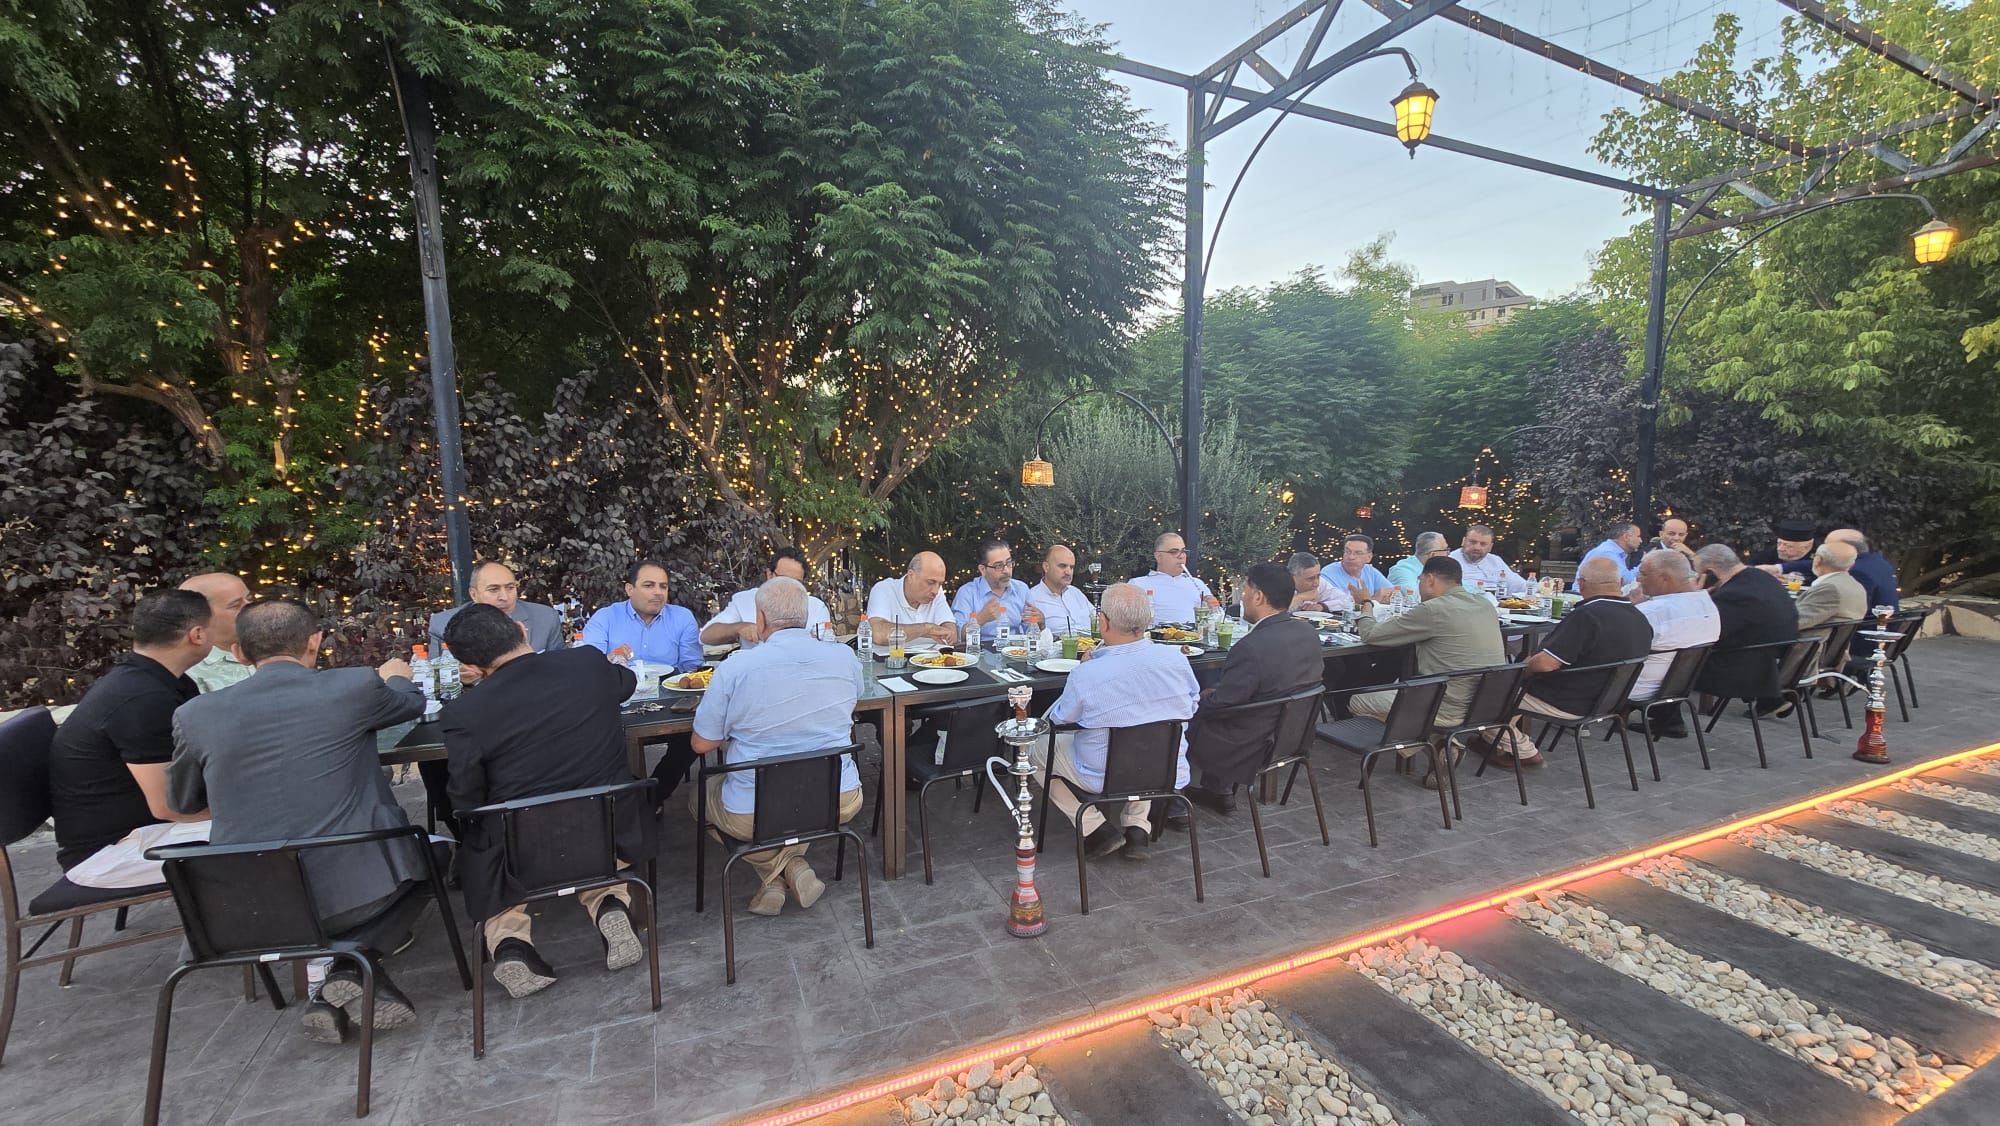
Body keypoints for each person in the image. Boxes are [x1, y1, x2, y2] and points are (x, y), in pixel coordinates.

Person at [169, 599, 428, 1043]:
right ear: (315, 642)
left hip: (245, 908)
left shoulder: (195, 715)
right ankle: (350, 966)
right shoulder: (352, 687)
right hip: (358, 894)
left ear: (239, 654)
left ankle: (333, 986)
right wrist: (398, 675)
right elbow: (410, 704)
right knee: (434, 861)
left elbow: (183, 800)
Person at [438, 605, 646, 999]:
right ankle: (610, 905)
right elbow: (627, 682)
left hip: (519, 849)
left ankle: (510, 945)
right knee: (594, 851)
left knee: (481, 843)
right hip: (605, 827)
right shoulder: (587, 663)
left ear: (473, 667)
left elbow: (465, 797)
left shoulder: (464, 713)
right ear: (521, 629)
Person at [690, 578, 865, 916]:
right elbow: (852, 702)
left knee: (699, 798)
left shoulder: (736, 667)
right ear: (805, 617)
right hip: (839, 797)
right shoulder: (844, 657)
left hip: (753, 809)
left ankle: (777, 871)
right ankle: (790, 867)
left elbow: (702, 744)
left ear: (760, 619)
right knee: (794, 806)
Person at [48, 590, 213, 888]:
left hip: (145, 829)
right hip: (111, 852)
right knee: (270, 836)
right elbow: (169, 807)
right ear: (198, 635)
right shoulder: (142, 699)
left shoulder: (161, 680)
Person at [1040, 583, 1201, 860]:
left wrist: (1086, 669)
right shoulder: (1177, 660)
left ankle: (1093, 827)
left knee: (1031, 748)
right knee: (1149, 734)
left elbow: (1060, 720)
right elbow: (1192, 705)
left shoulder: (1087, 673)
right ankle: (1137, 827)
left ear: (1103, 622)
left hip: (1101, 774)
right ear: (1148, 621)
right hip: (1166, 770)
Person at [1346, 557, 1506, 786]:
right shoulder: (1485, 605)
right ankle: (1440, 743)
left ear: (1430, 580)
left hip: (1445, 705)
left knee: (1358, 700)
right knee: (1411, 690)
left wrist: (1366, 604)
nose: (1419, 586)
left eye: (1420, 581)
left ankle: (1435, 744)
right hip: (1485, 705)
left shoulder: (1433, 609)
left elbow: (1371, 634)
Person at [1183, 563, 1326, 814]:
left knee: (1178, 719)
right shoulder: (1307, 632)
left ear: (1258, 596)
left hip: (1251, 742)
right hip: (1293, 734)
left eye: (1245, 591)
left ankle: (1172, 803)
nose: (1243, 598)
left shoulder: (1250, 647)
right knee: (1230, 702)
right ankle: (1219, 790)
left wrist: (1194, 703)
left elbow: (1224, 705)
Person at [1500, 557, 1652, 765]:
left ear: (1580, 584)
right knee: (1507, 686)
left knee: (1489, 694)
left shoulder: (1588, 615)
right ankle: (1498, 740)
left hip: (1568, 701)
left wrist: (1523, 668)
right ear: (1619, 583)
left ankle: (1522, 750)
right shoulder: (1639, 618)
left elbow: (1545, 664)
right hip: (1610, 701)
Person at [1693, 544, 1799, 711]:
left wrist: (1695, 597)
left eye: (1698, 573)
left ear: (1711, 573)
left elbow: (1710, 632)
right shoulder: (1762, 578)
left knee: (1673, 660)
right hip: (1775, 655)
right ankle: (1770, 699)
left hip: (1741, 665)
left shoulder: (1733, 593)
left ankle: (1669, 716)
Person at [1629, 549, 1720, 739]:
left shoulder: (1652, 612)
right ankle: (1670, 721)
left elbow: (1616, 648)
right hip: (1678, 685)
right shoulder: (1708, 605)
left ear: (1664, 578)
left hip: (1635, 688)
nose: (1637, 579)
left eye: (1643, 573)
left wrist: (1634, 608)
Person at [581, 560, 703, 672]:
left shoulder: (682, 618)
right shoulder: (605, 618)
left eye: (663, 586)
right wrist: (609, 659)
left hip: (669, 686)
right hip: (618, 686)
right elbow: (587, 664)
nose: (658, 592)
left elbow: (692, 668)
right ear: (630, 589)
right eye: (648, 585)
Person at [701, 548, 832, 647]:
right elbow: (706, 636)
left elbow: (828, 647)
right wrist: (738, 627)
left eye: (796, 582)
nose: (788, 586)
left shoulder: (816, 607)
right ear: (769, 574)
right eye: (783, 579)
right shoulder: (745, 600)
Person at [428, 560, 566, 654]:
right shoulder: (442, 624)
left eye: (510, 588)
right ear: (474, 594)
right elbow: (437, 678)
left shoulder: (545, 618)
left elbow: (560, 668)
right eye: (493, 589)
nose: (504, 597)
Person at [178, 572, 253, 692]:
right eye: (236, 605)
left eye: (250, 599)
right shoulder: (187, 670)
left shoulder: (275, 647)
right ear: (200, 614)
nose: (251, 608)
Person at [864, 551, 958, 645]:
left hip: (930, 654)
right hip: (891, 655)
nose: (935, 591)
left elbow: (951, 631)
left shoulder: (937, 591)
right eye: (930, 582)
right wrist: (925, 629)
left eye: (940, 584)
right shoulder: (884, 589)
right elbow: (878, 634)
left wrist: (948, 633)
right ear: (911, 576)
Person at [952, 538, 1034, 645]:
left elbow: (1031, 631)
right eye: (998, 566)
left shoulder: (1021, 589)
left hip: (1015, 650)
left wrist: (1040, 624)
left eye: (1009, 563)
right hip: (979, 650)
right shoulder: (967, 593)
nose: (1006, 570)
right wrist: (980, 619)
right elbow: (958, 636)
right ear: (983, 569)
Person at [1130, 531, 1215, 626]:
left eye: (1183, 551)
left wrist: (1213, 608)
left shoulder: (1197, 584)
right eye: (1174, 552)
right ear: (1158, 556)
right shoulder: (1137, 585)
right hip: (1155, 634)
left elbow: (1218, 619)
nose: (1181, 556)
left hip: (1194, 634)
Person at [1795, 541, 1868, 632]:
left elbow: (1793, 622)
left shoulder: (1829, 589)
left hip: (1805, 640)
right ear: (1851, 564)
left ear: (1818, 560)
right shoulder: (1856, 586)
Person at [1027, 544, 1098, 636]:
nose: (1068, 572)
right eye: (1062, 566)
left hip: (1092, 644)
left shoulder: (1076, 593)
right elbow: (1030, 636)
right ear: (1046, 567)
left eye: (1071, 567)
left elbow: (1097, 619)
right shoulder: (1032, 598)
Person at [1449, 525, 1531, 594]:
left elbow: (1519, 586)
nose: (1477, 547)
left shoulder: (1495, 561)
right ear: (1463, 541)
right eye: (1473, 542)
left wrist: (1536, 588)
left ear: (1490, 547)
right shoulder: (1450, 561)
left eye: (1483, 544)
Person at [1574, 522, 1642, 590]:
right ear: (1626, 537)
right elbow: (1626, 580)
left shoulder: (1612, 551)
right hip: (1586, 595)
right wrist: (1644, 564)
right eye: (1638, 536)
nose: (1640, 540)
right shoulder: (1607, 552)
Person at [1285, 552, 1353, 613]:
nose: (1316, 583)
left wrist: (1322, 606)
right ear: (1293, 576)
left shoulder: (1321, 583)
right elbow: (1278, 612)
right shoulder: (1281, 583)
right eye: (1310, 579)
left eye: (1318, 576)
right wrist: (1300, 597)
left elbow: (1347, 601)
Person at [1747, 519, 1816, 568]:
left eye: (1788, 546)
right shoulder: (1770, 554)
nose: (1780, 549)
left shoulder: (1817, 559)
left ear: (1806, 547)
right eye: (1779, 543)